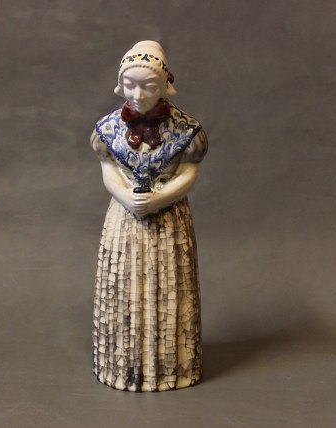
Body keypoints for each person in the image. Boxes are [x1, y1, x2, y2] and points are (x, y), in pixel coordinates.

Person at [91, 40, 208, 392]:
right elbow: (108, 169)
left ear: (165, 86)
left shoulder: (186, 130)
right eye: (130, 85)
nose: (138, 94)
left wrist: (161, 198)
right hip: (124, 220)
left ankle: (173, 366)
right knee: (122, 288)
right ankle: (120, 363)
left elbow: (188, 172)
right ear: (120, 85)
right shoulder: (109, 128)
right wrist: (126, 196)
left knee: (169, 291)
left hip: (168, 221)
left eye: (148, 86)